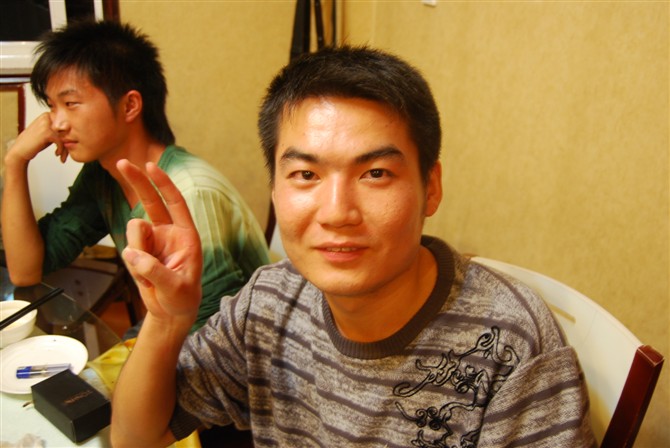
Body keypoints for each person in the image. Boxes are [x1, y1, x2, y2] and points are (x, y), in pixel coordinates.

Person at [111, 46, 595, 447]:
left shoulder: (512, 345)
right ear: (275, 191)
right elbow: (137, 436)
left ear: (431, 188)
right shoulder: (269, 303)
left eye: (375, 173)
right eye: (306, 174)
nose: (337, 212)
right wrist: (166, 320)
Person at [0, 20, 269, 332]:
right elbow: (26, 271)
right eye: (52, 106)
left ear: (130, 105)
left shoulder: (191, 192)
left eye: (71, 104)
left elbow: (211, 329)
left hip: (234, 344)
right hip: (173, 328)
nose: (56, 123)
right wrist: (16, 161)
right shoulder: (103, 176)